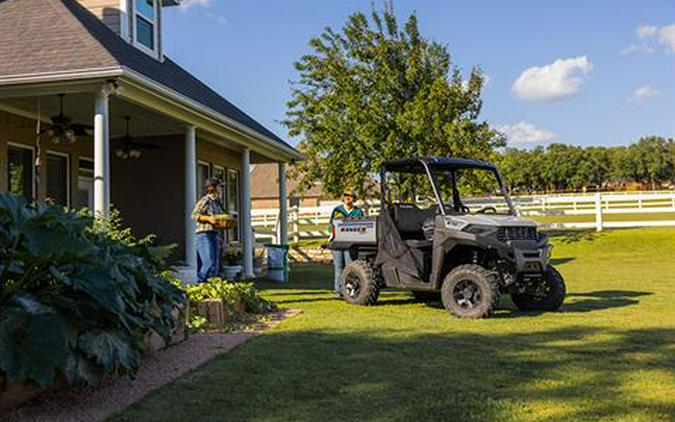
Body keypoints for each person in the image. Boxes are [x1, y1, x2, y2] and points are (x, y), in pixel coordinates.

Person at [329, 188, 364, 296]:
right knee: (339, 267)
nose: (348, 198)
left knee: (350, 267)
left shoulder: (358, 211)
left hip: (351, 243)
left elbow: (362, 226)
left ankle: (350, 290)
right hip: (337, 242)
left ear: (354, 198)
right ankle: (339, 291)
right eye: (346, 195)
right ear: (343, 197)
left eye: (350, 196)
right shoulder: (337, 210)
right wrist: (331, 236)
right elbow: (331, 225)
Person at [192, 177, 226, 283]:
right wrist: (208, 218)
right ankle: (198, 285)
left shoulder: (217, 202)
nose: (221, 189)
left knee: (215, 265)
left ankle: (209, 289)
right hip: (203, 235)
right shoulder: (205, 200)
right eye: (220, 186)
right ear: (212, 188)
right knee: (208, 263)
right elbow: (194, 215)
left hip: (214, 234)